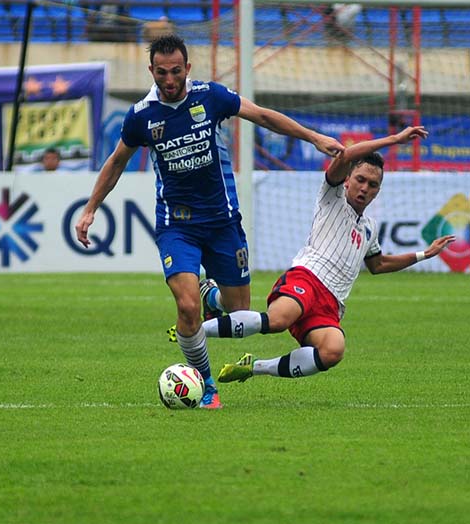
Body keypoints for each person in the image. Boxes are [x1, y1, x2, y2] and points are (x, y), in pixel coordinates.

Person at [74, 34, 344, 409]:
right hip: (177, 225)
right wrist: (91, 208)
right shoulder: (141, 116)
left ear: (188, 68)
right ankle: (206, 383)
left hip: (223, 223)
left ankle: (210, 294)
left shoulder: (210, 97)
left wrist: (313, 137)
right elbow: (117, 160)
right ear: (151, 71)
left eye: (176, 72)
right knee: (186, 309)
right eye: (162, 73)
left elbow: (262, 115)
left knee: (239, 311)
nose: (170, 80)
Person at [204, 126, 455, 383]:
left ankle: (254, 367)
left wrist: (424, 254)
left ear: (378, 191)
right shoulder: (332, 196)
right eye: (360, 180)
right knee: (279, 320)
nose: (364, 188)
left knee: (333, 350)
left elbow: (378, 264)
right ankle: (195, 332)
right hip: (307, 278)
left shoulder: (369, 227)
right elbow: (345, 157)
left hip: (331, 304)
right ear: (348, 179)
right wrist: (395, 139)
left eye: (372, 185)